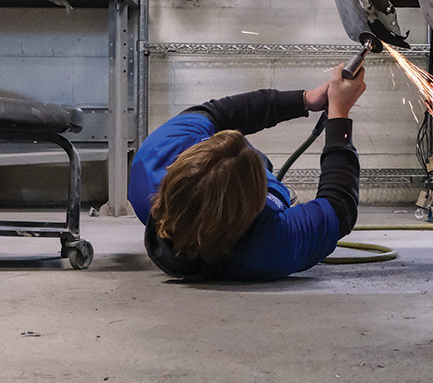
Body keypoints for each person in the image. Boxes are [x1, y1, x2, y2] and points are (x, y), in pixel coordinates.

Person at [128, 64, 366, 281]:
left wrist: (304, 100)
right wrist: (339, 115)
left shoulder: (154, 156)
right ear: (249, 210)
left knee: (238, 156)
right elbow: (339, 206)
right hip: (258, 210)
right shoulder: (269, 245)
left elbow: (219, 112)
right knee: (265, 177)